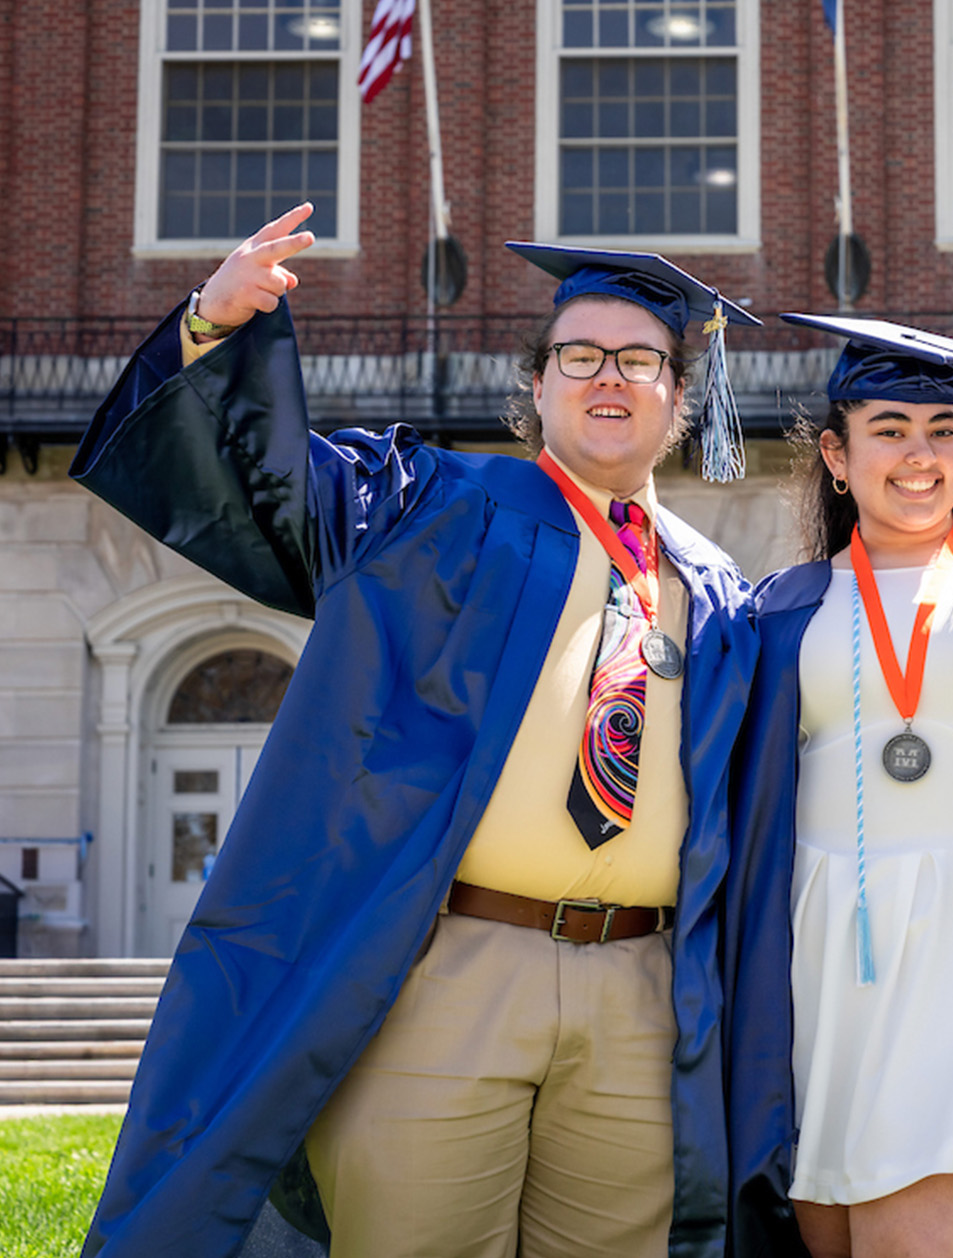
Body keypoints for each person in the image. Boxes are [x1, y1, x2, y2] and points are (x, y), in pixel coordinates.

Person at [71, 203, 763, 1258]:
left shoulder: (715, 587)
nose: (611, 377)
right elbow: (273, 489)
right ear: (536, 385)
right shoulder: (430, 507)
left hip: (642, 990)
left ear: (682, 396)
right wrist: (215, 322)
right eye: (581, 355)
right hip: (456, 970)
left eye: (642, 359)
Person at [721, 317, 953, 1258]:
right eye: (888, 428)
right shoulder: (780, 611)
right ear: (835, 455)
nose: (918, 453)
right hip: (820, 979)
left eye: (942, 428)